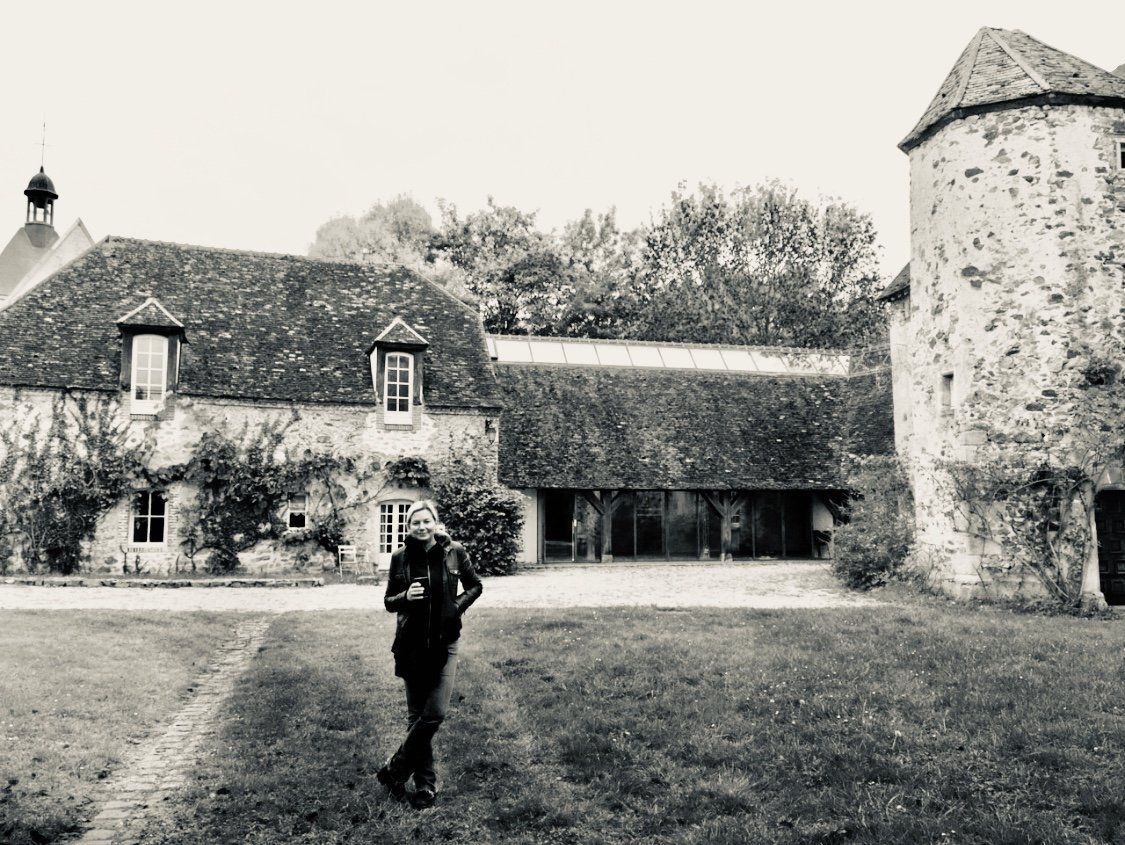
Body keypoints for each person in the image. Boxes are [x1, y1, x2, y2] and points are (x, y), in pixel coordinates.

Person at [377, 499, 482, 809]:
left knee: (434, 713)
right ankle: (425, 786)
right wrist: (405, 596)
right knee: (416, 717)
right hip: (411, 644)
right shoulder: (400, 557)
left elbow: (475, 585)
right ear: (408, 527)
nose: (421, 527)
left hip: (445, 641)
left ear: (436, 522)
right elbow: (388, 602)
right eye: (415, 523)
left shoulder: (454, 552)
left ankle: (394, 769)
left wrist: (455, 607)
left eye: (426, 521)